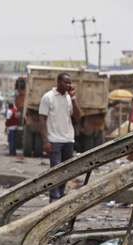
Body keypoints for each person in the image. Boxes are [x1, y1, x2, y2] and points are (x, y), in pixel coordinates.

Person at [39, 72, 80, 201]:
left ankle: (60, 194)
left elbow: (78, 117)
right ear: (58, 82)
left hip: (68, 140)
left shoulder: (69, 98)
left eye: (70, 82)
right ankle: (54, 197)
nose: (68, 85)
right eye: (65, 82)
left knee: (66, 171)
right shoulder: (48, 97)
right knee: (55, 171)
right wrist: (45, 141)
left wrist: (73, 99)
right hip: (54, 140)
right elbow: (42, 120)